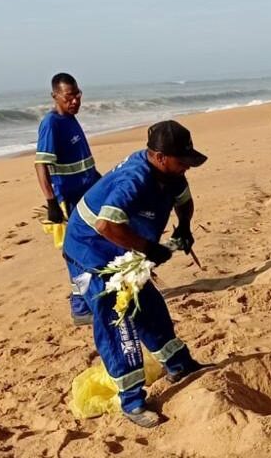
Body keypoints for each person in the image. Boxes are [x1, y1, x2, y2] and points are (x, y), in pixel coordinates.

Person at [63, 120, 211, 427]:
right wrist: (149, 248)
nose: (186, 167)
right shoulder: (134, 179)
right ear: (159, 157)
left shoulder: (172, 174)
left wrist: (184, 228)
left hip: (123, 249)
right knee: (118, 321)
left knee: (150, 307)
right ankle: (131, 401)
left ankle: (179, 365)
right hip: (92, 251)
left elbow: (184, 201)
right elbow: (105, 225)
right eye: (181, 161)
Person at [35, 73, 101, 326]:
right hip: (68, 200)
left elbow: (83, 163)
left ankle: (93, 298)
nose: (75, 101)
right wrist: (51, 202)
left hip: (87, 194)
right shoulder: (51, 124)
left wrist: (100, 183)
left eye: (77, 95)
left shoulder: (71, 119)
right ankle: (80, 307)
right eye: (69, 97)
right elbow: (41, 164)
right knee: (76, 253)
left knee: (94, 246)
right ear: (55, 96)